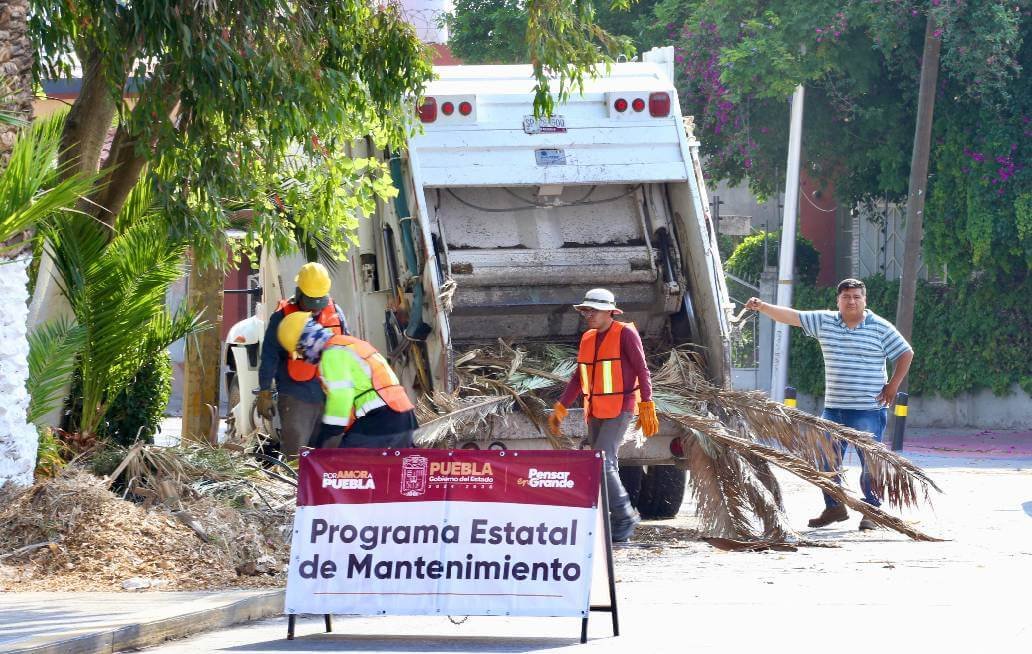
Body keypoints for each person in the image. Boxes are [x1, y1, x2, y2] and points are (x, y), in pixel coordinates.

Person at [746, 278, 914, 531]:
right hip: (834, 408)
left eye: (857, 296)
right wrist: (762, 306)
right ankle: (834, 506)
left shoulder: (879, 327)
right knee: (824, 460)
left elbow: (905, 352)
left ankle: (872, 511)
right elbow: (792, 316)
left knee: (870, 463)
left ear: (864, 299)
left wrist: (893, 386)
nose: (852, 301)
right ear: (838, 300)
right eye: (846, 297)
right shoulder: (825, 321)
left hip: (868, 409)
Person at [548, 288, 660, 542]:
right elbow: (579, 376)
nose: (589, 315)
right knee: (604, 463)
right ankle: (612, 520)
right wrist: (562, 406)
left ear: (611, 311)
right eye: (586, 310)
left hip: (621, 407)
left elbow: (643, 370)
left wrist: (647, 404)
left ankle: (624, 516)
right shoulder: (587, 338)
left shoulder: (625, 333)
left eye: (594, 310)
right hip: (596, 409)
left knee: (601, 461)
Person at [277, 312, 419, 449]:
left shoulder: (332, 354)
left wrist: (328, 432)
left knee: (343, 466)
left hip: (382, 419)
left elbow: (341, 397)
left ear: (306, 342)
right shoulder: (347, 343)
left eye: (301, 351)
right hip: (404, 414)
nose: (304, 358)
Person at [257, 262, 351, 457]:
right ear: (299, 293)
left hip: (332, 398)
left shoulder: (336, 313)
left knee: (329, 457)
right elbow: (269, 356)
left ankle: (323, 489)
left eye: (320, 301)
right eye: (311, 301)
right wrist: (264, 391)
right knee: (295, 455)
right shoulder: (281, 317)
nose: (316, 308)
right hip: (296, 397)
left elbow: (347, 349)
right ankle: (295, 487)